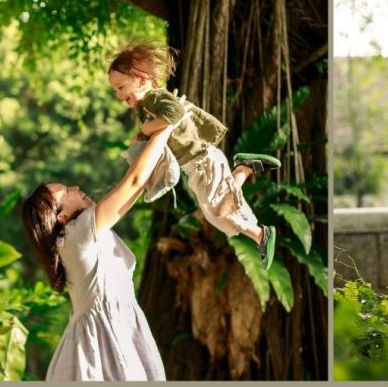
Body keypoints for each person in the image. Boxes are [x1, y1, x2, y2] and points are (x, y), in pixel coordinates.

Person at [107, 43, 280, 269]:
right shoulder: (146, 107)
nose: (118, 95)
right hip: (195, 165)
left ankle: (260, 232)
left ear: (140, 80)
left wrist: (147, 130)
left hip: (202, 160)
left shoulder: (154, 98)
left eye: (121, 87)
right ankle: (244, 171)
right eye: (115, 91)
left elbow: (175, 113)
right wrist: (145, 135)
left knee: (218, 208)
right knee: (214, 214)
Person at [22, 124, 174, 381]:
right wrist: (166, 128)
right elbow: (134, 182)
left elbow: (131, 186)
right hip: (101, 345)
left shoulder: (83, 236)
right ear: (61, 217)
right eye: (67, 191)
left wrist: (140, 151)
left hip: (113, 332)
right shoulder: (75, 236)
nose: (76, 187)